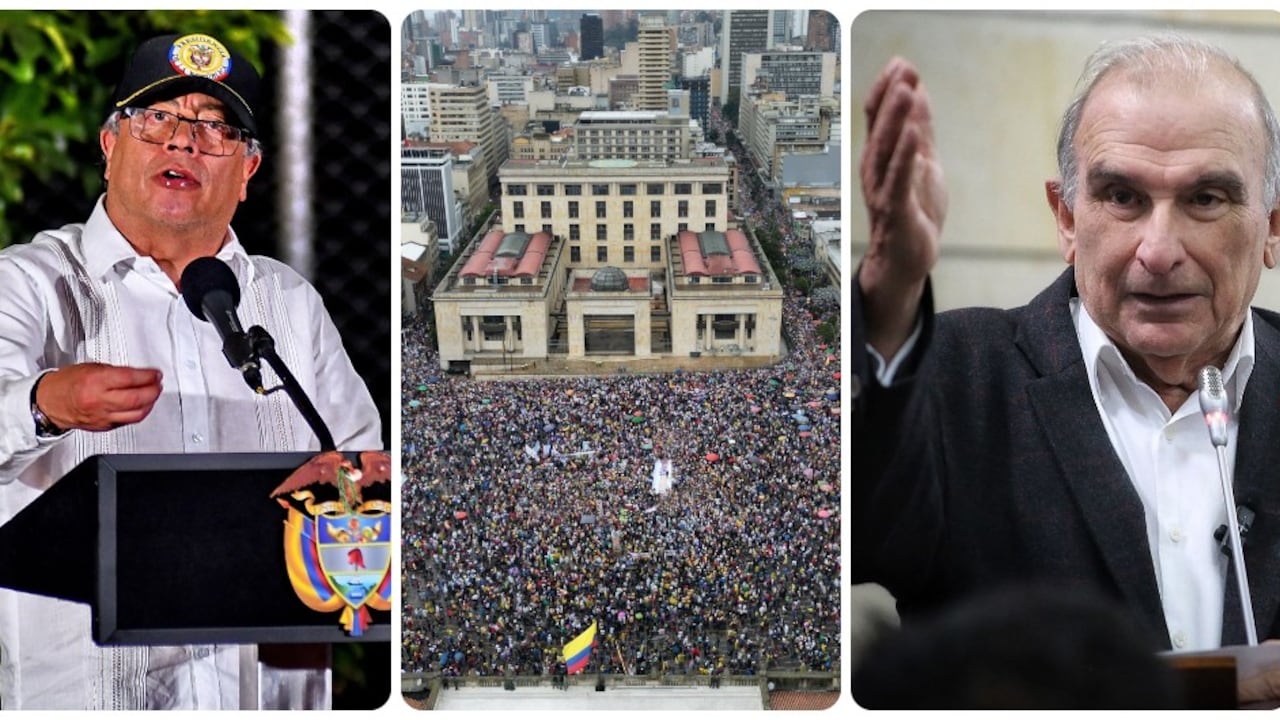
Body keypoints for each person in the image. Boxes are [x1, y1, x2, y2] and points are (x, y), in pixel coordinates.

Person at [853, 32, 1280, 672]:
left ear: (1272, 226)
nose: (1159, 252)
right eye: (1123, 197)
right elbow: (857, 533)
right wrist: (890, 291)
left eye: (1205, 199)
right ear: (1068, 218)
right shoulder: (954, 375)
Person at [0, 32, 381, 710]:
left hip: (262, 695)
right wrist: (43, 405)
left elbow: (364, 476)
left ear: (248, 170)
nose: (183, 143)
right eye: (157, 120)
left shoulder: (288, 304)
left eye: (214, 128)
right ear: (110, 145)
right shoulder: (27, 285)